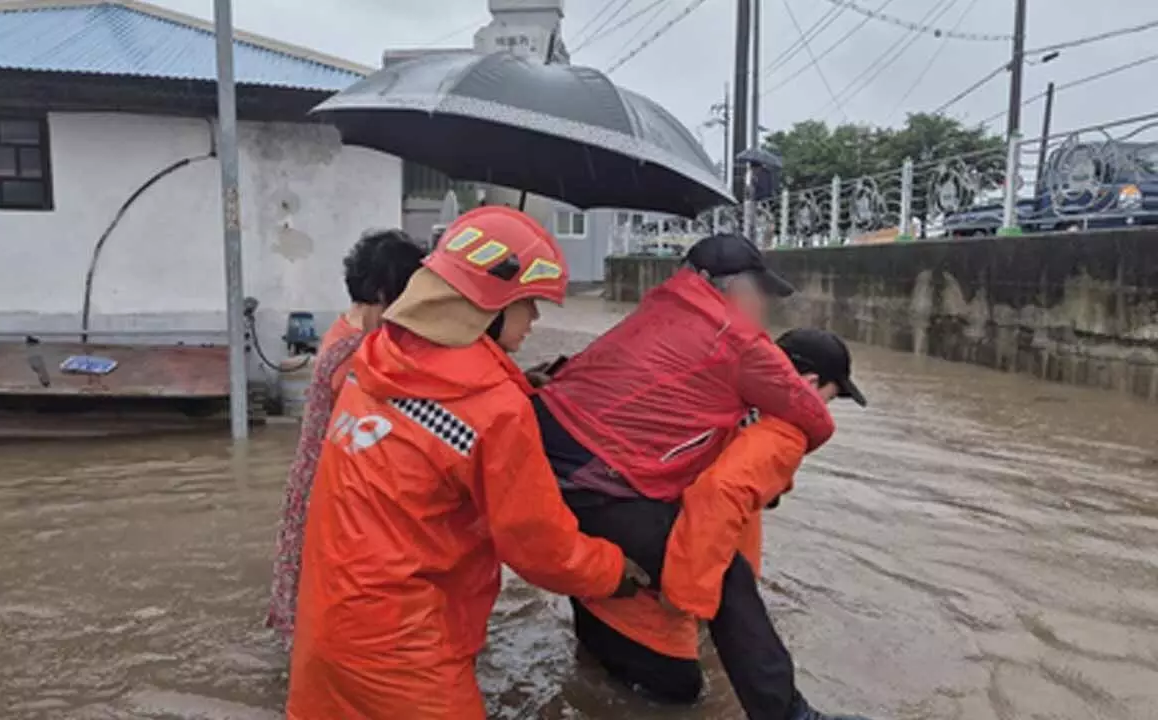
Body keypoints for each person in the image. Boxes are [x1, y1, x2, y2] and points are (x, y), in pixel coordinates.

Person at [286, 206, 648, 720]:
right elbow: (539, 547)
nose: (536, 321)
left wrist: (517, 382)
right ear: (488, 306)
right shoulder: (495, 408)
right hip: (407, 652)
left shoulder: (374, 358)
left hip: (324, 636)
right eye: (528, 305)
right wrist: (612, 571)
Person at [530, 233, 862, 718]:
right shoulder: (740, 346)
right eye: (762, 295)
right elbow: (810, 422)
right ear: (734, 289)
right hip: (594, 488)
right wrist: (689, 594)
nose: (765, 310)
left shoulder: (655, 316)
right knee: (721, 588)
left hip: (555, 479)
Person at [266, 229, 425, 648]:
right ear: (381, 292)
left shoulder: (346, 333)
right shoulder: (356, 353)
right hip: (333, 490)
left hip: (322, 482)